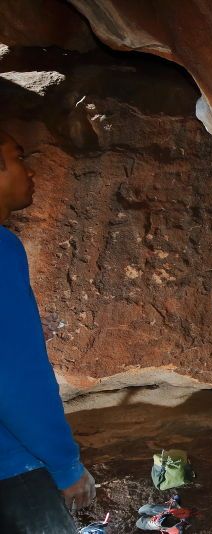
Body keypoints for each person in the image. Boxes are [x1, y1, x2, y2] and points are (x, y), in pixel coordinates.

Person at [0, 130, 96, 533]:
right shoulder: (2, 250)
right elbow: (15, 375)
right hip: (12, 473)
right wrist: (65, 465)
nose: (30, 170)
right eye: (18, 157)